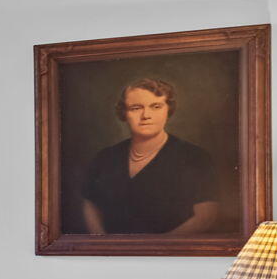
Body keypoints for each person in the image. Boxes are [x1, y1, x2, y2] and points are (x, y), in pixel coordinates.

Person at [81, 76, 220, 235]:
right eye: (136, 108)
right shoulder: (105, 157)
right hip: (111, 249)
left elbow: (206, 217)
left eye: (156, 106)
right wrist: (102, 242)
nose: (146, 115)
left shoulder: (195, 157)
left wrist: (156, 246)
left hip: (170, 249)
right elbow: (90, 202)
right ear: (124, 113)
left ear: (168, 110)